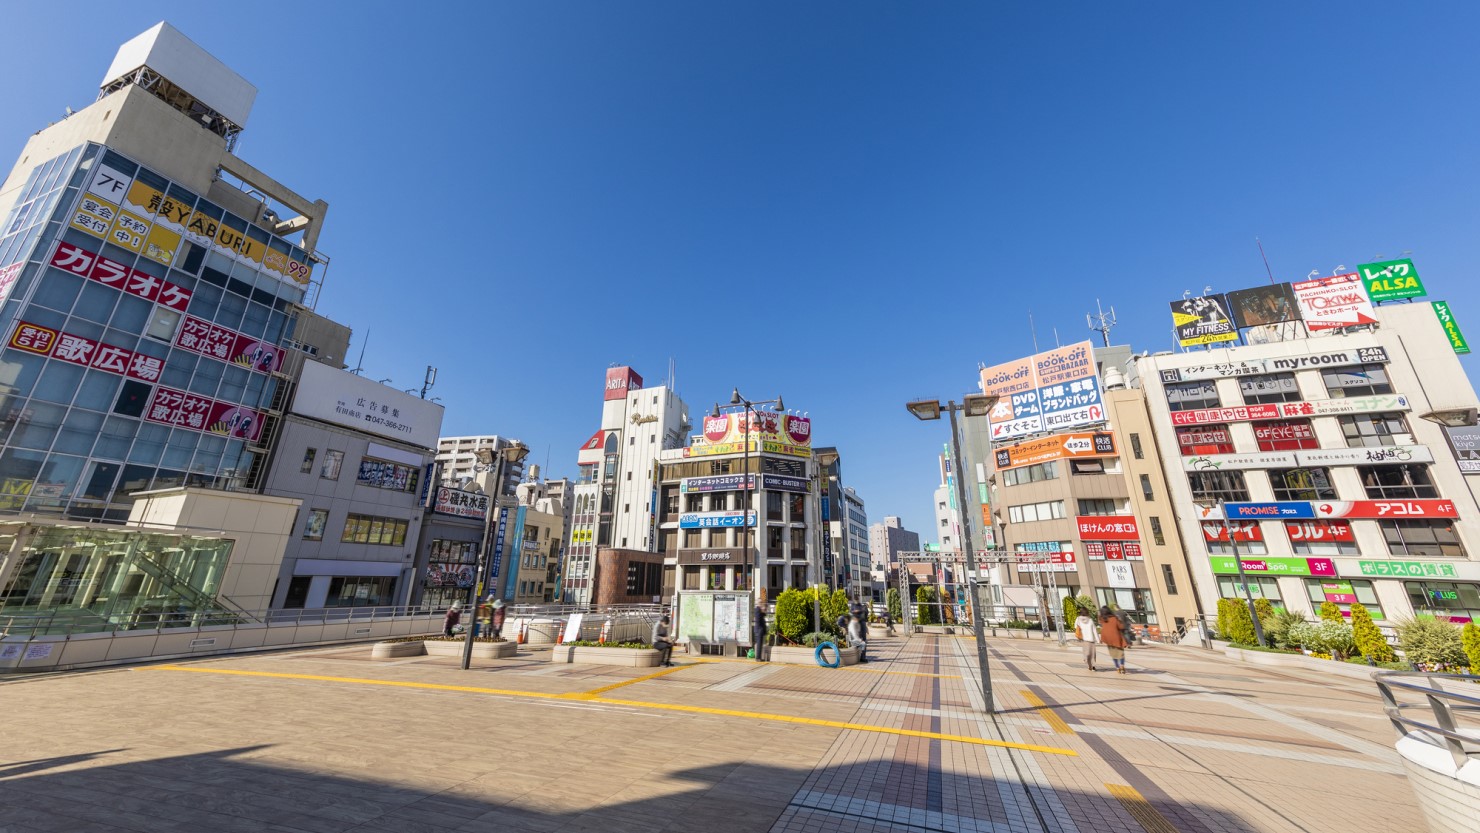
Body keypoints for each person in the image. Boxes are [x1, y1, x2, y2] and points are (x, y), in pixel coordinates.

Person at [1099, 605, 1129, 674]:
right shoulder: (1114, 618)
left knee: (1113, 654)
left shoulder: (1102, 619)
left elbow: (1102, 628)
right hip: (1117, 638)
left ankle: (1117, 667)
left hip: (1108, 639)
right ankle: (1122, 665)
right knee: (1121, 653)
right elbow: (1121, 626)